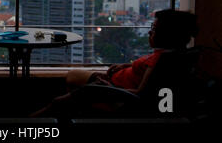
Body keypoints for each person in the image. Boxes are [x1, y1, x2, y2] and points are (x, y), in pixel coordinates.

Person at [31, 9, 198, 118]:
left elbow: (141, 93)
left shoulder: (162, 61)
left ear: (167, 34)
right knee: (74, 76)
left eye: (153, 29)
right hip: (112, 82)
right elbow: (144, 71)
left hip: (112, 90)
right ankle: (79, 111)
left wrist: (110, 88)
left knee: (58, 103)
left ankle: (26, 124)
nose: (149, 32)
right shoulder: (170, 53)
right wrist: (127, 67)